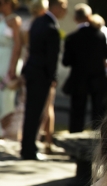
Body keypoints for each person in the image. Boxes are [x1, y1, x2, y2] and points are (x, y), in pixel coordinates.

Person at [20, 0, 67, 160]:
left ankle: (27, 147)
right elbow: (51, 57)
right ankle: (29, 149)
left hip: (32, 71)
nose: (65, 12)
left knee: (30, 111)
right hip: (41, 74)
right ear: (56, 6)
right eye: (64, 7)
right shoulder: (51, 27)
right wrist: (52, 76)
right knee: (36, 111)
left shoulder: (38, 22)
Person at [61, 3, 107, 133]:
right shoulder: (99, 35)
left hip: (79, 79)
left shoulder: (72, 38)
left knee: (77, 112)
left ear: (75, 18)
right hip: (97, 79)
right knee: (98, 113)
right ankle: (97, 141)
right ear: (89, 17)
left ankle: (74, 140)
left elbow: (66, 62)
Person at [0, 0, 22, 139]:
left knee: (7, 95)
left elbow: (17, 44)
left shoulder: (14, 20)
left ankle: (5, 129)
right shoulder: (1, 19)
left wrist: (12, 67)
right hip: (0, 57)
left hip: (8, 60)